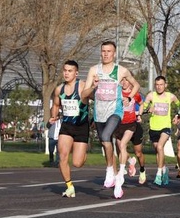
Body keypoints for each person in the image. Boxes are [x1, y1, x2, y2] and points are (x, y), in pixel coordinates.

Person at [86, 40, 140, 191]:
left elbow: (136, 85)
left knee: (106, 136)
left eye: (109, 51)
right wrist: (92, 86)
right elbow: (85, 93)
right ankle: (112, 170)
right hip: (99, 113)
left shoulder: (121, 71)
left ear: (114, 53)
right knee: (105, 142)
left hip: (115, 112)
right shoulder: (93, 70)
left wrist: (129, 98)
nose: (106, 54)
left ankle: (110, 171)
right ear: (101, 52)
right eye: (103, 51)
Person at [50, 60, 95, 198]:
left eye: (70, 71)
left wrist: (94, 119)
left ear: (76, 73)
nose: (66, 73)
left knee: (77, 163)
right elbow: (56, 105)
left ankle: (83, 153)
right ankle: (69, 186)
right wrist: (53, 116)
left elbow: (96, 99)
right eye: (65, 70)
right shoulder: (59, 89)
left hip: (81, 127)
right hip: (67, 127)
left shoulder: (82, 87)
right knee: (62, 156)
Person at [140, 76, 180, 186]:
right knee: (158, 151)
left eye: (161, 84)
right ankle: (164, 170)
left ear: (165, 85)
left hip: (165, 127)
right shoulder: (150, 96)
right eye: (157, 85)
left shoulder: (170, 96)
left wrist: (177, 116)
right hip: (154, 128)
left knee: (160, 147)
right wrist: (148, 109)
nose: (159, 87)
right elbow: (142, 109)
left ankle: (158, 174)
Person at [114, 77, 146, 183]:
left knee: (138, 152)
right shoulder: (116, 94)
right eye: (122, 80)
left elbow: (141, 104)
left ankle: (142, 170)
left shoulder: (135, 94)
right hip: (119, 125)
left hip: (132, 125)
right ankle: (130, 161)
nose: (124, 82)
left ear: (131, 82)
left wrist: (139, 115)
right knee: (120, 148)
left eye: (126, 80)